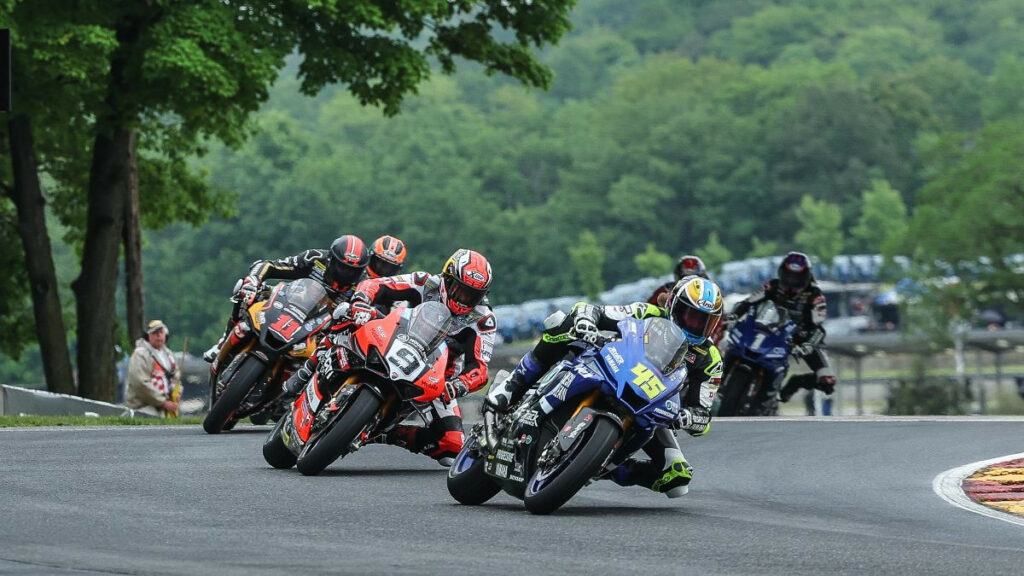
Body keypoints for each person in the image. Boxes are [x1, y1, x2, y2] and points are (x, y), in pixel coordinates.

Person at [486, 276, 725, 497]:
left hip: (652, 407)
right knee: (562, 325)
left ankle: (599, 466)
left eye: (705, 321)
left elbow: (703, 414)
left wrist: (686, 417)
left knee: (678, 479)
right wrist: (585, 322)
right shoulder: (648, 313)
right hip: (612, 368)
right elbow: (592, 310)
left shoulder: (710, 358)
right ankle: (512, 385)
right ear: (674, 306)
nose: (697, 326)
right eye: (691, 316)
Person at [285, 248, 497, 466]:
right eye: (460, 290)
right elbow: (377, 284)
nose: (463, 299)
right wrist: (360, 301)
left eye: (472, 295)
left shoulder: (483, 321)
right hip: (391, 339)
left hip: (432, 376)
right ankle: (308, 370)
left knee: (452, 445)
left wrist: (457, 386)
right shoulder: (425, 282)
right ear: (447, 278)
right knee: (344, 314)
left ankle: (389, 433)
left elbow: (479, 369)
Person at [202, 234, 374, 362]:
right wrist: (254, 280)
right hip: (290, 303)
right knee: (244, 289)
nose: (346, 273)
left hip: (319, 329)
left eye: (352, 270)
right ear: (331, 259)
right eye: (342, 267)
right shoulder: (315, 258)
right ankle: (222, 343)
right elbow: (270, 265)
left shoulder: (364, 284)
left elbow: (364, 317)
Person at [730, 251, 836, 410]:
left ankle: (793, 385)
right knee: (731, 344)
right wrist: (732, 316)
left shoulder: (815, 296)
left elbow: (818, 329)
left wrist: (807, 344)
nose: (792, 281)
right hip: (769, 329)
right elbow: (747, 302)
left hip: (801, 338)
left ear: (806, 276)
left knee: (827, 381)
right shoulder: (772, 285)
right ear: (782, 273)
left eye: (797, 277)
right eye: (789, 276)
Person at [126, 320, 182, 417]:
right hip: (144, 408)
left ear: (166, 335)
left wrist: (178, 392)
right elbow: (140, 383)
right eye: (155, 333)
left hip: (165, 410)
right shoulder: (140, 354)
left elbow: (176, 376)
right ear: (148, 336)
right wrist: (163, 402)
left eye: (161, 332)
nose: (158, 335)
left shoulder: (168, 354)